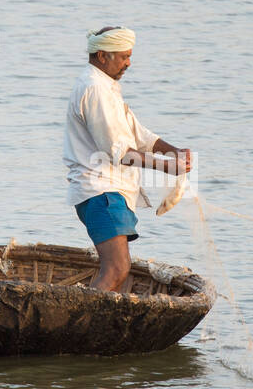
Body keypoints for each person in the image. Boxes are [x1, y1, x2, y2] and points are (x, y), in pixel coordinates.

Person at [62, 26, 193, 293]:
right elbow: (119, 152)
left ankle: (94, 322)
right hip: (101, 192)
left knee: (118, 270)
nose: (128, 63)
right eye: (123, 56)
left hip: (109, 193)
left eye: (129, 56)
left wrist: (173, 151)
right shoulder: (94, 89)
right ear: (102, 56)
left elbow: (137, 133)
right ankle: (84, 325)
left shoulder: (107, 87)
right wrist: (169, 166)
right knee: (117, 269)